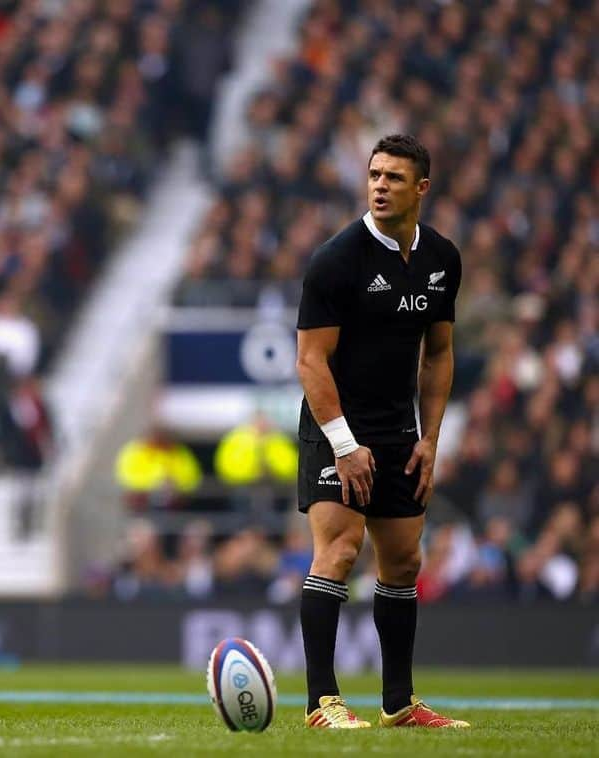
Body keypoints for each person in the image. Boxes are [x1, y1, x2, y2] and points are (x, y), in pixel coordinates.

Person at [294, 135, 468, 728]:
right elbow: (310, 362)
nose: (380, 185)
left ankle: (398, 704)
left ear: (422, 188)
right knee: (340, 551)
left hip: (400, 432)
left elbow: (439, 353)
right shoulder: (336, 260)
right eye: (374, 174)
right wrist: (344, 445)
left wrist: (430, 437)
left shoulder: (442, 259)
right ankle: (322, 702)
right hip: (334, 425)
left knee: (402, 561)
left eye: (394, 177)